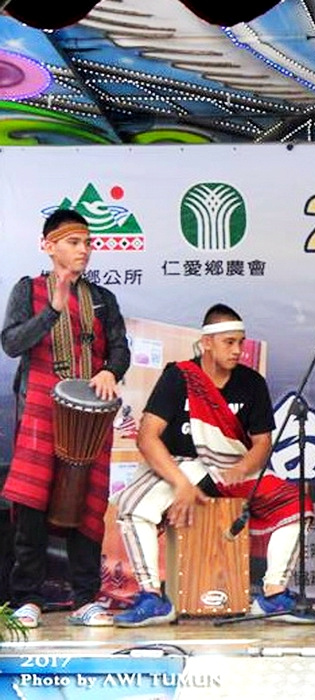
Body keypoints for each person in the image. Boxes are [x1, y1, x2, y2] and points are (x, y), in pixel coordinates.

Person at [113, 304, 314, 626]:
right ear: (206, 342)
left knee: (296, 500)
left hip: (233, 469)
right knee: (134, 507)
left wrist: (242, 468)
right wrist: (180, 483)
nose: (237, 351)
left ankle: (274, 594)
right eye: (228, 342)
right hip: (182, 467)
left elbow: (262, 443)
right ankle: (152, 597)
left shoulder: (251, 382)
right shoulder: (179, 377)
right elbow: (148, 438)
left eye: (241, 342)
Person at [1, 209, 130, 628]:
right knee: (33, 505)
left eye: (87, 243)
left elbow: (120, 349)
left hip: (89, 419)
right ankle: (28, 599)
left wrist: (111, 370)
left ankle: (85, 599)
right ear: (48, 245)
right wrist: (52, 310)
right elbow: (12, 343)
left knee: (89, 507)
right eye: (74, 243)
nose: (84, 251)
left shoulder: (102, 299)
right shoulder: (29, 290)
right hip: (40, 411)